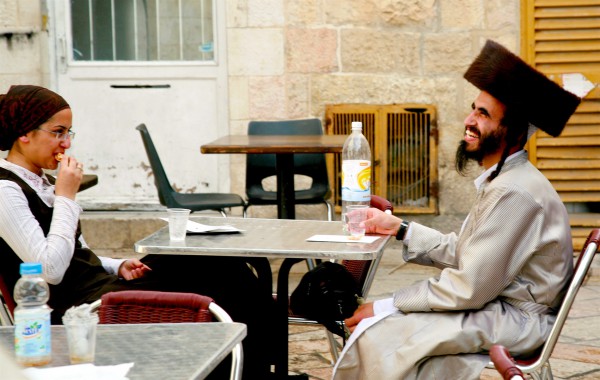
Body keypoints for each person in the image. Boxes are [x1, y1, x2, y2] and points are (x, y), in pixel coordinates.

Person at [332, 40, 581, 379]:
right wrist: (399, 228)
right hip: (496, 307)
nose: (468, 120)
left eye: (483, 114)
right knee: (394, 330)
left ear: (510, 131)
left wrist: (387, 304)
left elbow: (468, 286)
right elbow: (471, 255)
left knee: (383, 330)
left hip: (518, 320)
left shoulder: (513, 190)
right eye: (473, 109)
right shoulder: (506, 179)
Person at [0, 84, 276, 380]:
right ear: (25, 133)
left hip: (101, 284)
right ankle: (258, 366)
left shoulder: (42, 182)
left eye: (69, 133)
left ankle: (263, 362)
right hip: (78, 308)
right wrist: (66, 196)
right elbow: (50, 270)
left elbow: (76, 254)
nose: (66, 143)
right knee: (218, 277)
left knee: (213, 259)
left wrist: (117, 264)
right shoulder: (6, 190)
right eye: (58, 132)